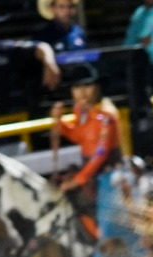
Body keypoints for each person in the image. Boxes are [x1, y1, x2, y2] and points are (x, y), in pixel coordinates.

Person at [50, 64, 120, 240]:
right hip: (89, 169)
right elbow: (80, 136)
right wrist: (59, 122)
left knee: (101, 206)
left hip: (108, 170)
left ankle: (107, 240)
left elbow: (100, 153)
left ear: (97, 88)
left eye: (87, 86)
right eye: (77, 87)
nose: (82, 93)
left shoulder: (106, 114)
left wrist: (79, 179)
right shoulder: (81, 111)